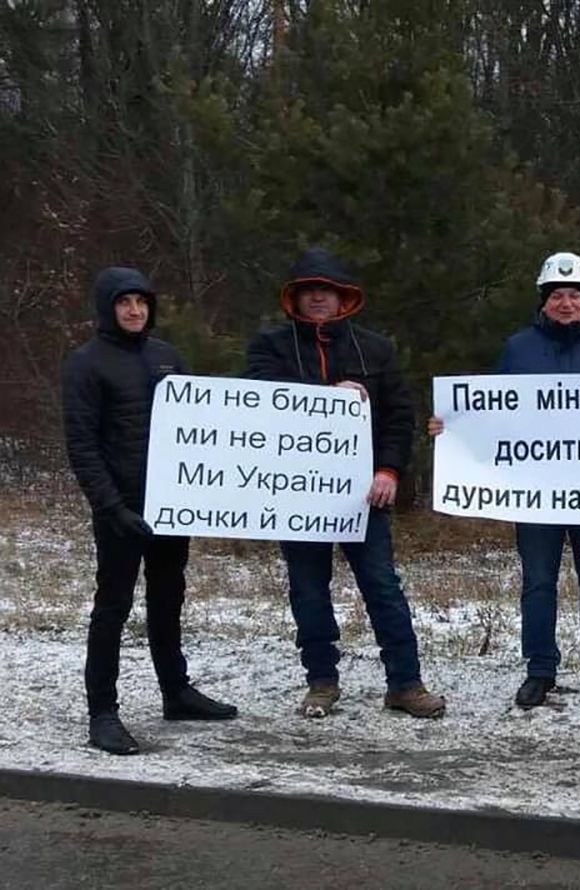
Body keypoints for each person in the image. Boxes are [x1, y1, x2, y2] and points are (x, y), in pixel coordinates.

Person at [429, 251, 580, 709]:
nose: (566, 303)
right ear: (544, 301)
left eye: (574, 295)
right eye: (557, 296)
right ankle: (540, 670)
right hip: (536, 491)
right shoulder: (519, 348)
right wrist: (451, 425)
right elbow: (492, 410)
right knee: (537, 581)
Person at [245, 247, 444, 719]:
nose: (318, 298)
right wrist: (326, 395)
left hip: (364, 494)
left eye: (327, 290)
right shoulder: (271, 347)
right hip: (296, 493)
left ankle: (405, 683)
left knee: (382, 587)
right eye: (309, 290)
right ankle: (321, 682)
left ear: (343, 297)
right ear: (295, 297)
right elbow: (256, 401)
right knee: (308, 590)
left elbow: (399, 416)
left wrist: (389, 470)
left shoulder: (374, 348)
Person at [63, 266, 238, 756]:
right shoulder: (86, 364)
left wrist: (202, 494)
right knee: (113, 606)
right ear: (108, 307)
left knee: (168, 597)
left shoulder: (167, 357)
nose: (134, 310)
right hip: (121, 510)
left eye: (141, 301)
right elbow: (82, 446)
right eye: (124, 302)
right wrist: (112, 508)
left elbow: (199, 426)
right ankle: (102, 712)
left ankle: (175, 691)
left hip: (170, 506)